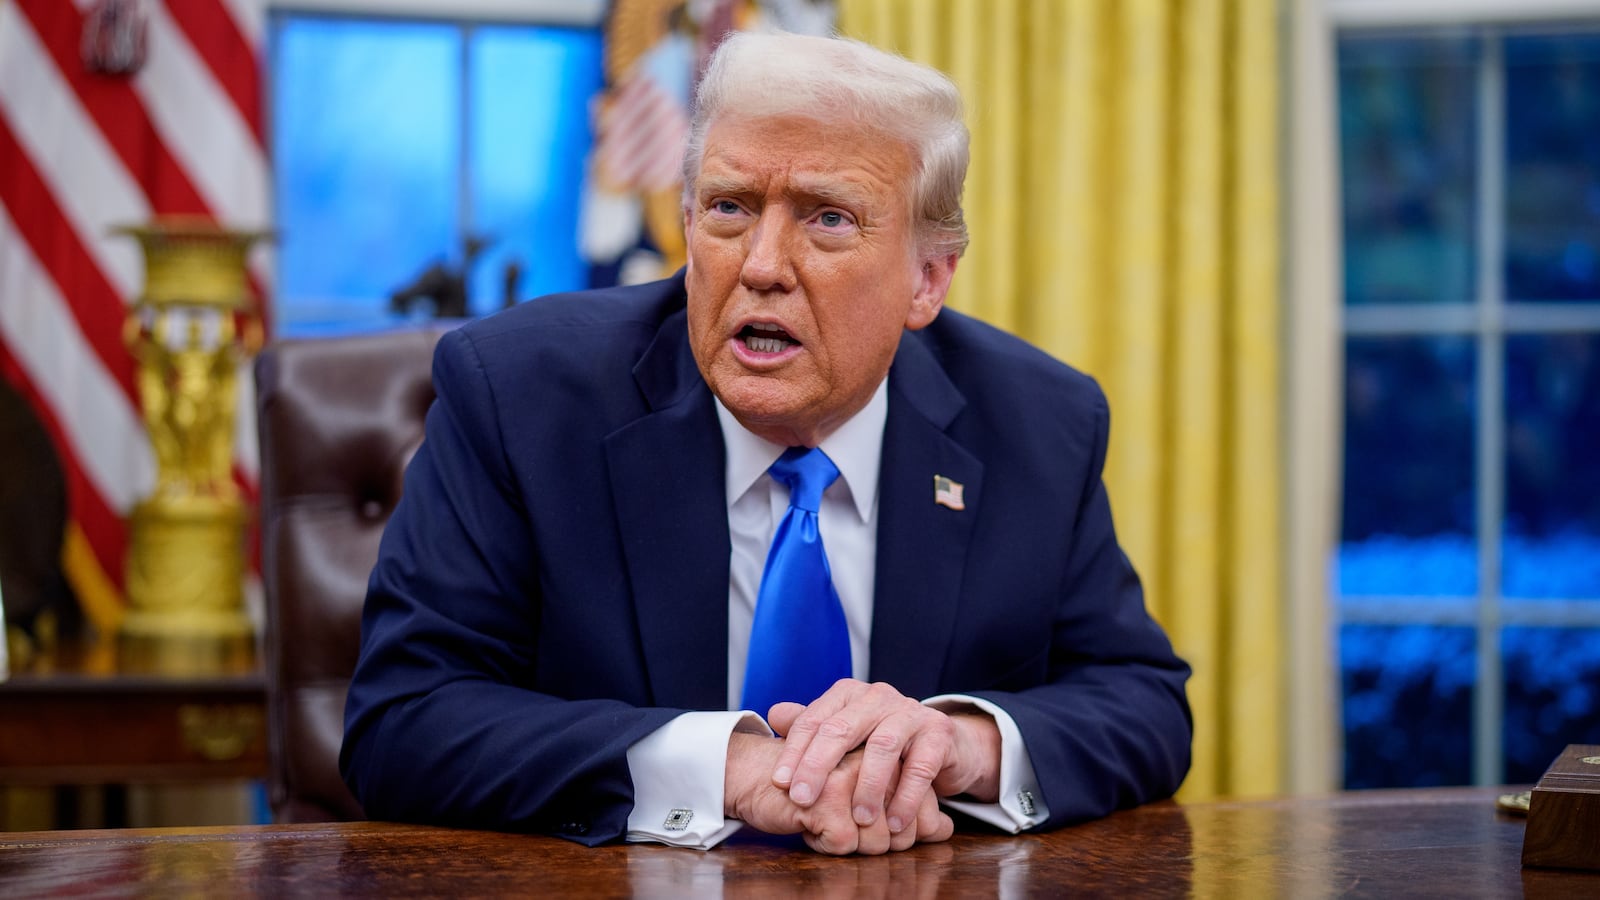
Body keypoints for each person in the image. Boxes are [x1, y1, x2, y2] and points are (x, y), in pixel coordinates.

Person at [341, 31, 1191, 856]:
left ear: (927, 278)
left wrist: (960, 745)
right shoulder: (519, 396)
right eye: (729, 208)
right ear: (686, 223)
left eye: (828, 218)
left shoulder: (1039, 423)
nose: (761, 265)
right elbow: (403, 720)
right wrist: (730, 770)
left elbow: (1142, 703)